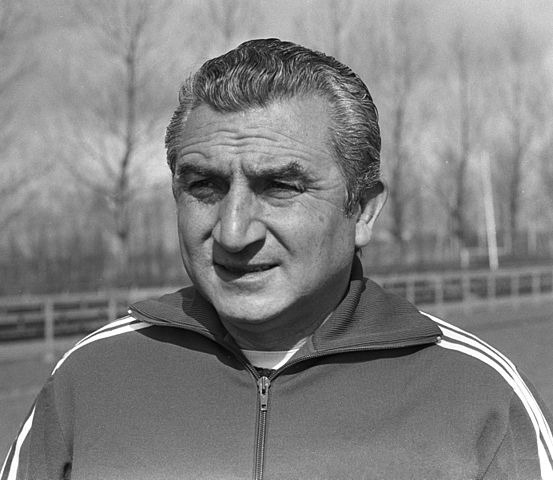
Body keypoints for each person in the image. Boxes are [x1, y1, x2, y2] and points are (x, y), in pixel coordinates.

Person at [2, 38, 552, 480]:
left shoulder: (478, 395)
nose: (233, 232)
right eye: (204, 185)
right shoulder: (89, 381)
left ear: (362, 210)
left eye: (281, 186)